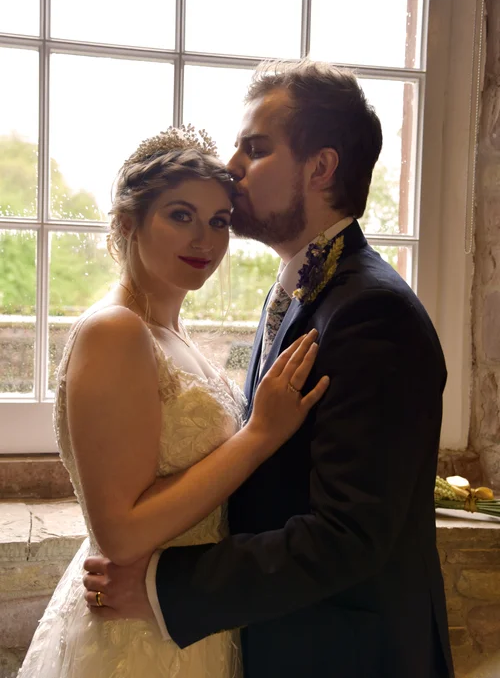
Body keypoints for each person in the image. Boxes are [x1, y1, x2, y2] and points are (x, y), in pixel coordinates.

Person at [83, 61, 455, 678]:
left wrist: (163, 586)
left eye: (254, 149)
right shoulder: (303, 288)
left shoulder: (372, 313)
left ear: (320, 168)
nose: (231, 167)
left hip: (347, 656)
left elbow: (348, 535)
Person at [17, 126, 329, 678]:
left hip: (185, 617)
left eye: (219, 221)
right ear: (128, 223)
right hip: (134, 635)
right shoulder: (115, 332)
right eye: (180, 216)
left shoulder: (173, 335)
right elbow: (120, 535)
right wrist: (260, 434)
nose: (204, 240)